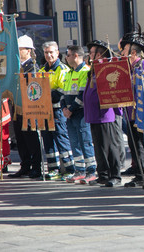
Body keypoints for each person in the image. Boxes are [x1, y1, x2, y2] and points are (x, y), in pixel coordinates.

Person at [83, 40, 125, 187]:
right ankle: (103, 175)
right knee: (99, 147)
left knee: (111, 146)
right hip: (94, 114)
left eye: (92, 52)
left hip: (106, 114)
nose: (89, 55)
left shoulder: (106, 68)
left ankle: (115, 175)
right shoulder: (94, 69)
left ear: (99, 54)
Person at [120, 28, 144, 189]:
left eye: (125, 51)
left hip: (143, 114)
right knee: (135, 146)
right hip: (130, 114)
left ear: (134, 52)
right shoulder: (128, 68)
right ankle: (140, 174)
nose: (122, 53)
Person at [39, 41, 75, 180]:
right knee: (47, 140)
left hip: (58, 110)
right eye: (46, 52)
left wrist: (46, 94)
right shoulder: (42, 70)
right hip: (44, 110)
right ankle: (53, 168)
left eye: (51, 52)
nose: (49, 55)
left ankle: (69, 168)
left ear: (57, 53)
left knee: (61, 139)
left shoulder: (62, 69)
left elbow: (62, 91)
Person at [61, 45, 97, 184]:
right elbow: (64, 94)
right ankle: (79, 170)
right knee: (74, 142)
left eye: (68, 54)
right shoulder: (70, 72)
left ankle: (91, 171)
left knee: (85, 142)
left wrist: (71, 109)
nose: (66, 57)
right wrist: (64, 108)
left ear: (76, 55)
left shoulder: (85, 71)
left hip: (80, 113)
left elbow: (82, 94)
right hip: (69, 114)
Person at [9, 35, 42, 179]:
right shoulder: (18, 66)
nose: (17, 52)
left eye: (20, 49)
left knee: (30, 138)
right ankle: (25, 165)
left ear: (28, 51)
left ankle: (36, 166)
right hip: (17, 105)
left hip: (28, 107)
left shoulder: (32, 66)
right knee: (20, 138)